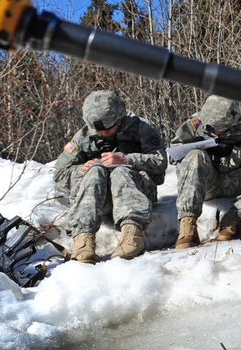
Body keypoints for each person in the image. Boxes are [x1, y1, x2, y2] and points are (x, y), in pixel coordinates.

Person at [54, 90, 167, 263]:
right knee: (95, 171)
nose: (103, 133)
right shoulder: (83, 137)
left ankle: (132, 236)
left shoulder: (141, 129)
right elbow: (60, 173)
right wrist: (80, 169)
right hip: (99, 200)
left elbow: (161, 160)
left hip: (137, 195)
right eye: (99, 130)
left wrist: (126, 160)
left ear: (120, 118)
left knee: (121, 170)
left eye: (108, 128)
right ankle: (83, 241)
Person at [170, 96, 241, 248]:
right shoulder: (195, 123)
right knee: (194, 156)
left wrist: (233, 152)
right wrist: (193, 147)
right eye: (211, 129)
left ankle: (233, 218)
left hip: (236, 180)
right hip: (205, 183)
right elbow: (173, 155)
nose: (215, 132)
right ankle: (187, 226)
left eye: (218, 130)